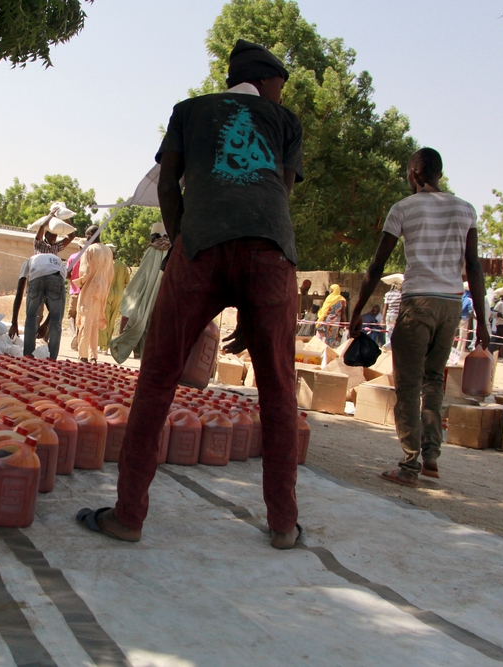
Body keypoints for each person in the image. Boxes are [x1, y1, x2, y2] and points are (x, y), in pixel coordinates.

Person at [75, 40, 304, 549]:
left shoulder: (190, 111)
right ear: (264, 80)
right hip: (270, 252)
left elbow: (166, 186)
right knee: (278, 390)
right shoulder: (284, 122)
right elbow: (279, 194)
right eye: (279, 87)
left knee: (156, 379)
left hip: (200, 244)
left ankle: (128, 516)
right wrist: (255, 298)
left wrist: (182, 241)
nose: (279, 96)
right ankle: (284, 525)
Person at [349, 147, 489, 488]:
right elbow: (473, 267)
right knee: (433, 381)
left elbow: (377, 266)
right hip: (451, 306)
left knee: (408, 385)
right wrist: (482, 321)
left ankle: (409, 465)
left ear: (414, 174)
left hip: (418, 303)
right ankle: (431, 459)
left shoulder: (404, 209)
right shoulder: (465, 209)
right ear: (438, 174)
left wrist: (358, 311)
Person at [109, 224, 172, 362]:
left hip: (148, 295)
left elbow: (142, 276)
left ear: (155, 236)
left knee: (141, 321)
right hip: (165, 296)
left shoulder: (152, 250)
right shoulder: (173, 250)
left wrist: (134, 293)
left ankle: (128, 351)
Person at [8, 252, 66, 360]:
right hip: (57, 277)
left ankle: (28, 358)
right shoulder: (59, 262)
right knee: (56, 323)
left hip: (36, 278)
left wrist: (14, 323)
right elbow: (56, 311)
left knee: (30, 319)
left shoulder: (29, 261)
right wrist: (46, 324)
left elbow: (19, 292)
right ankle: (52, 360)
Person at [71, 225, 114, 363]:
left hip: (90, 290)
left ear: (91, 235)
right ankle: (93, 356)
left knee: (85, 322)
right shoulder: (108, 251)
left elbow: (85, 272)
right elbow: (110, 274)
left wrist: (78, 282)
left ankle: (83, 355)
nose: (86, 238)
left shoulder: (89, 249)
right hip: (102, 290)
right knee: (95, 323)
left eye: (87, 236)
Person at [99, 245, 131, 352]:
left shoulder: (104, 264)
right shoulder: (122, 265)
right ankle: (107, 344)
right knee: (112, 320)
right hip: (119, 295)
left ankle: (103, 345)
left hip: (106, 293)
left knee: (104, 318)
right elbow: (127, 282)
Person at [66, 245, 82, 337]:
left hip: (75, 290)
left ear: (79, 246)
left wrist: (73, 278)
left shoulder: (73, 257)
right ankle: (79, 334)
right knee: (82, 315)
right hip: (86, 292)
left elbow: (67, 273)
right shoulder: (90, 257)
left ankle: (73, 333)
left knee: (72, 314)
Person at [382, 281, 402, 346]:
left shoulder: (387, 294)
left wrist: (382, 319)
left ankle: (387, 346)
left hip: (389, 315)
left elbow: (385, 307)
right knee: (396, 332)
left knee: (388, 332)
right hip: (397, 315)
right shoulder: (401, 295)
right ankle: (388, 346)